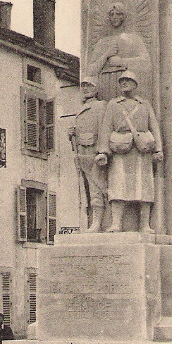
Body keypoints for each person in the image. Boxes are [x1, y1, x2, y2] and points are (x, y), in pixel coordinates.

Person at [96, 71, 163, 233]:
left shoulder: (144, 104)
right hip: (120, 150)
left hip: (142, 151)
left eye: (128, 80)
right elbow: (106, 128)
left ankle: (145, 225)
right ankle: (116, 223)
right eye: (122, 81)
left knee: (144, 188)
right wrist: (103, 152)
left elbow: (154, 127)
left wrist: (158, 149)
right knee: (118, 187)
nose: (124, 83)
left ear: (135, 84)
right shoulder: (113, 104)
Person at [86, 3, 151, 101]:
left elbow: (146, 63)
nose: (115, 17)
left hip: (126, 86)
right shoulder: (102, 42)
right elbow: (90, 71)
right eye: (112, 14)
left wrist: (121, 61)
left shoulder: (134, 39)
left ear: (124, 16)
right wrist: (106, 55)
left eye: (118, 14)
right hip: (105, 86)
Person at [68, 76, 107, 232]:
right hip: (81, 153)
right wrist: (71, 133)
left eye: (89, 86)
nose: (85, 88)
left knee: (96, 188)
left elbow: (103, 129)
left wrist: (102, 151)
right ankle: (89, 221)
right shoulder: (80, 108)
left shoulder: (100, 106)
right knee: (85, 190)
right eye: (83, 86)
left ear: (96, 89)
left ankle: (97, 222)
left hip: (93, 151)